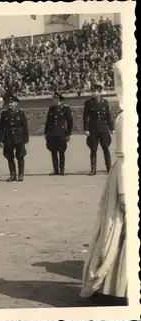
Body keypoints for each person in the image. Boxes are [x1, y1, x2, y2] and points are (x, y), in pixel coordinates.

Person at [80, 59, 127, 306]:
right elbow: (125, 156)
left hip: (118, 157)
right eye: (95, 88)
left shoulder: (115, 110)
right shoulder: (118, 115)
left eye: (100, 88)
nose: (97, 91)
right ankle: (113, 282)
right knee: (118, 227)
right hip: (124, 174)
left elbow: (110, 119)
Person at [83, 82, 115, 176]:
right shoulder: (88, 103)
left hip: (103, 129)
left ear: (99, 92)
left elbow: (108, 116)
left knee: (105, 148)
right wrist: (86, 129)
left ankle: (109, 168)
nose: (92, 93)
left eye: (95, 91)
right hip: (93, 129)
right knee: (93, 149)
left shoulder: (105, 102)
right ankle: (93, 169)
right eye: (92, 91)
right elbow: (85, 117)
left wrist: (111, 128)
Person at [0, 93, 29, 182]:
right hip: (8, 138)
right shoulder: (4, 114)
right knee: (9, 156)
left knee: (20, 156)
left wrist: (26, 139)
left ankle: (21, 175)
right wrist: (0, 140)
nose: (10, 105)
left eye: (12, 103)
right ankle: (13, 175)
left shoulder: (21, 113)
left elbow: (25, 126)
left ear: (16, 103)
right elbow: (1, 128)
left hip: (19, 138)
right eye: (9, 103)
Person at [44, 91, 74, 175]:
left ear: (58, 99)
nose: (53, 100)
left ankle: (62, 169)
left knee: (61, 152)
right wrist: (46, 132)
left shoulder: (65, 108)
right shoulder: (51, 108)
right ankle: (55, 169)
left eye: (54, 99)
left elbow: (70, 122)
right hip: (52, 133)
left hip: (61, 133)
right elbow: (48, 121)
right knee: (53, 152)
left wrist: (68, 133)